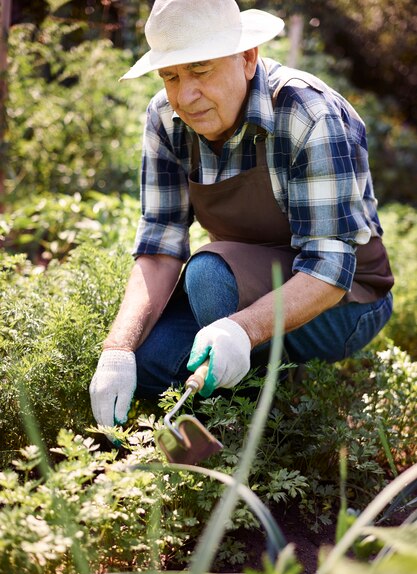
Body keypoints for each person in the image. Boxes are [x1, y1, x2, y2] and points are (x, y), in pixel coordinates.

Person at [89, 0, 394, 429]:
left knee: (209, 275)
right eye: (171, 76)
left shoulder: (309, 114)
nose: (185, 96)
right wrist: (117, 351)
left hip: (346, 299)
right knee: (152, 365)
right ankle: (231, 405)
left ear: (248, 58)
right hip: (246, 280)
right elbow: (159, 247)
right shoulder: (165, 118)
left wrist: (242, 331)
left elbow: (329, 269)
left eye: (200, 69)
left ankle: (274, 427)